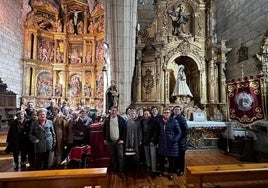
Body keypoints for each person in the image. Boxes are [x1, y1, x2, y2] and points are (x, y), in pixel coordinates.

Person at [158, 108, 181, 180]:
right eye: (164, 113)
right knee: (161, 159)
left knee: (171, 160)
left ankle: (170, 173)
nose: (166, 114)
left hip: (171, 144)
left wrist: (174, 140)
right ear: (162, 113)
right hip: (162, 143)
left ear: (170, 113)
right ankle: (161, 171)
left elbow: (179, 133)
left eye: (167, 113)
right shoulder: (160, 121)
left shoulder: (174, 121)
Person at [103, 106, 126, 178]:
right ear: (110, 111)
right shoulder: (107, 120)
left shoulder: (121, 119)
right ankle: (115, 169)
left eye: (115, 110)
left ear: (117, 111)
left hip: (119, 141)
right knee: (113, 156)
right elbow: (104, 130)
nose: (113, 112)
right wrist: (105, 139)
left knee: (121, 156)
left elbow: (124, 130)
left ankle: (121, 170)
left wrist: (122, 139)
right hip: (110, 141)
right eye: (112, 110)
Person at [140, 109, 159, 178]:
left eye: (147, 114)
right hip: (145, 141)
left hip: (152, 141)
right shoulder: (142, 121)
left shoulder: (153, 121)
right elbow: (142, 131)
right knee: (147, 155)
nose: (146, 115)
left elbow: (156, 131)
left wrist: (153, 141)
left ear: (150, 114)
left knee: (153, 156)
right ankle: (148, 166)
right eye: (145, 114)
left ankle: (154, 170)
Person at [172, 106, 189, 176]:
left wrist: (179, 137)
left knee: (181, 157)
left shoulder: (182, 119)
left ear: (180, 111)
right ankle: (175, 168)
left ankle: (181, 170)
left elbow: (186, 130)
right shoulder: (171, 117)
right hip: (174, 141)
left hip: (180, 141)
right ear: (173, 110)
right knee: (175, 156)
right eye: (175, 109)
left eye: (178, 110)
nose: (176, 111)